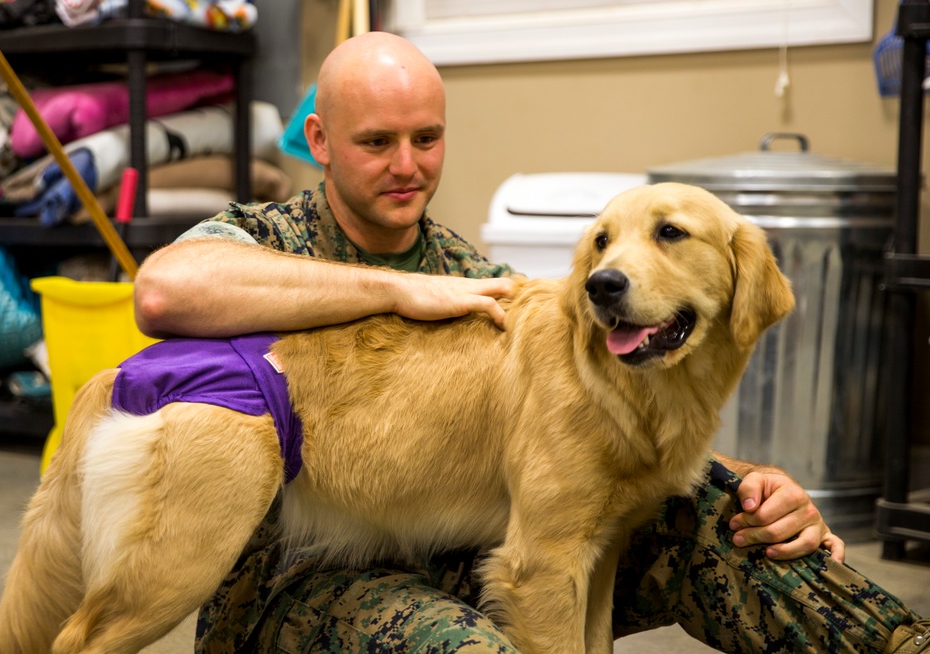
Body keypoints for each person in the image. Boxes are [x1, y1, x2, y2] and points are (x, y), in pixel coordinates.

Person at [134, 31, 928, 654]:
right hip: (308, 578)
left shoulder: (474, 273)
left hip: (461, 546)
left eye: (427, 139)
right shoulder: (264, 235)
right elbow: (164, 290)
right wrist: (392, 288)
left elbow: (587, 438)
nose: (407, 167)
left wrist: (759, 485)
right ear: (321, 139)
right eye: (377, 142)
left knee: (726, 517)